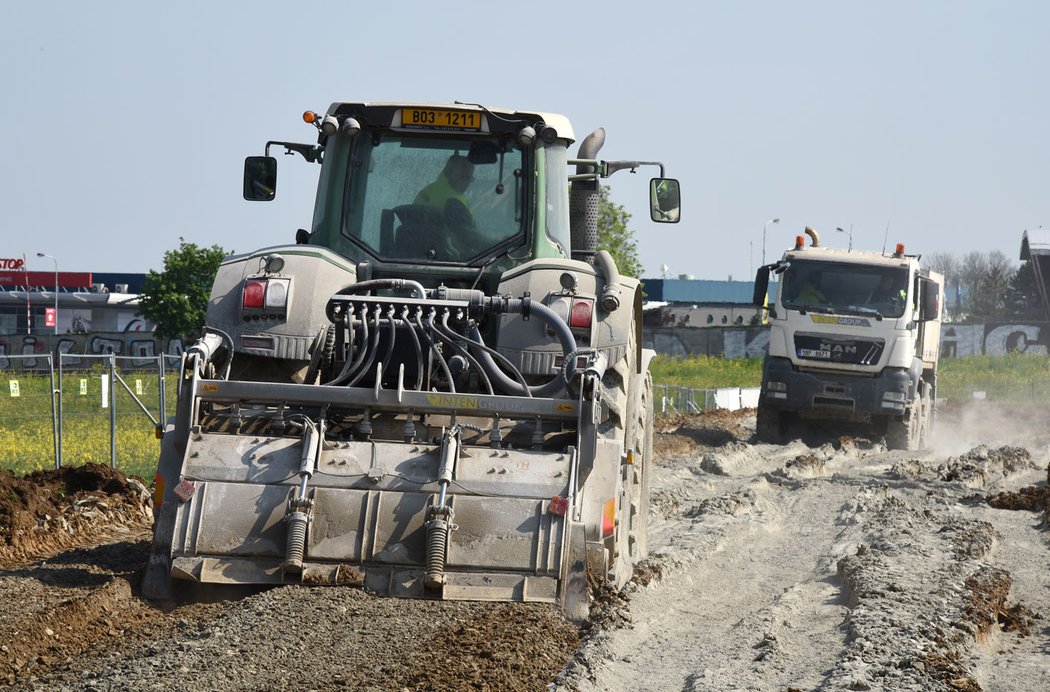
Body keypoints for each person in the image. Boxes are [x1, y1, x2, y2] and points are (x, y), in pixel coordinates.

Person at [413, 154, 476, 230]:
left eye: (470, 178)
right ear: (449, 172)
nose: (468, 182)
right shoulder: (456, 201)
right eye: (464, 177)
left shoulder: (428, 190)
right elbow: (468, 235)